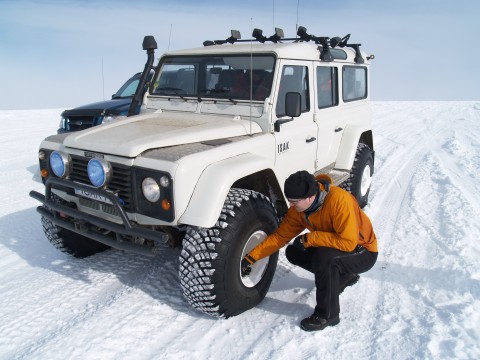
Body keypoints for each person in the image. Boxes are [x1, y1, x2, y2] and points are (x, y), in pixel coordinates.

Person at [241, 170, 378, 332]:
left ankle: (328, 315)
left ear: (310, 197)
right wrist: (251, 258)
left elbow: (348, 242)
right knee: (293, 252)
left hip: (363, 251)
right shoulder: (300, 210)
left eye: (294, 201)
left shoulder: (339, 201)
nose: (291, 205)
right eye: (289, 201)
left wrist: (310, 239)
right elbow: (279, 237)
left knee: (325, 258)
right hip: (338, 248)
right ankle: (344, 276)